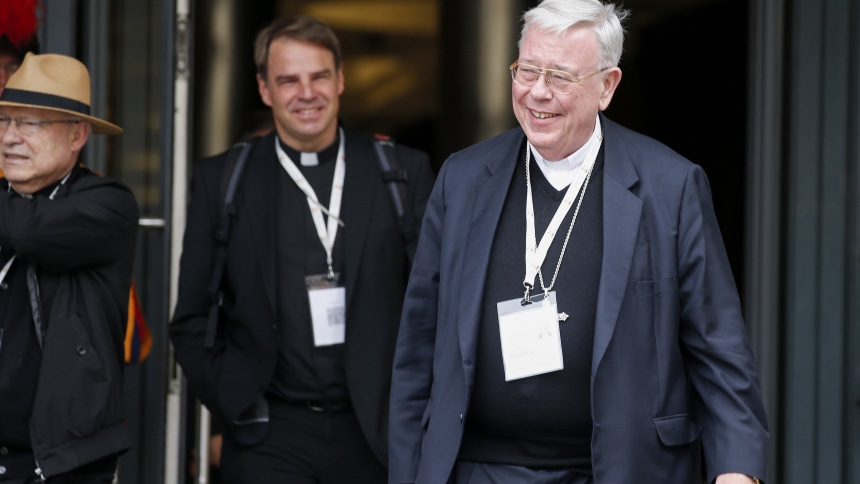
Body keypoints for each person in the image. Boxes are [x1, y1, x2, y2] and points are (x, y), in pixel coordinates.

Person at [388, 1, 769, 483]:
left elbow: (718, 347)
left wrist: (737, 470)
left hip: (616, 469)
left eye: (561, 77)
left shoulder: (670, 186)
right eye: (527, 70)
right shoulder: (462, 179)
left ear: (606, 87)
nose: (538, 92)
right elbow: (418, 347)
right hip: (478, 469)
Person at [170, 15, 435, 483]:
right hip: (270, 435)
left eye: (318, 76)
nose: (306, 93)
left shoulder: (403, 172)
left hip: (376, 432)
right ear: (264, 89)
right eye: (288, 80)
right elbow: (191, 317)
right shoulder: (222, 180)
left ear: (340, 80)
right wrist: (230, 397)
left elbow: (438, 302)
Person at [0, 53, 138, 483]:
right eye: (4, 121)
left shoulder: (109, 202)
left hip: (62, 462)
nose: (10, 138)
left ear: (78, 135)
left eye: (31, 124)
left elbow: (29, 231)